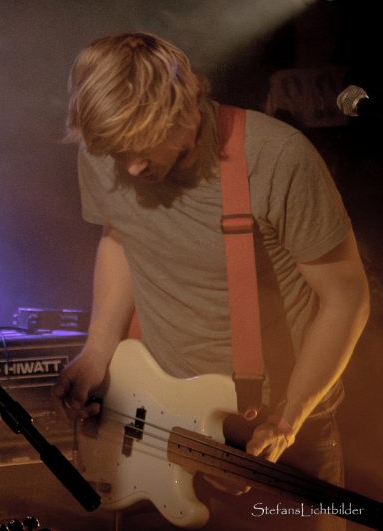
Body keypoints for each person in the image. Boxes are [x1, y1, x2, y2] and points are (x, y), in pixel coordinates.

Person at [54, 33, 370, 530]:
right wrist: (97, 351)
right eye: (117, 153)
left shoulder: (276, 158)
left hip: (274, 432)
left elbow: (346, 298)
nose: (130, 167)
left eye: (140, 146)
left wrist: (288, 418)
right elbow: (120, 236)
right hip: (155, 422)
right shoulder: (106, 149)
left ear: (183, 110)